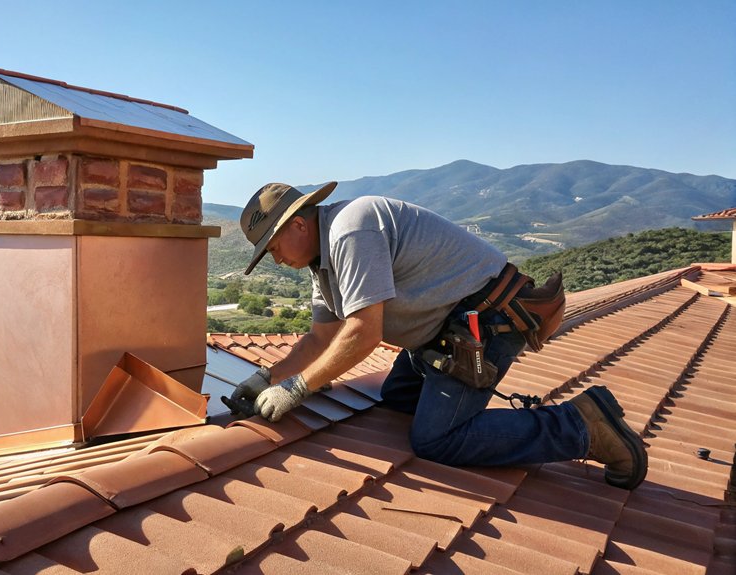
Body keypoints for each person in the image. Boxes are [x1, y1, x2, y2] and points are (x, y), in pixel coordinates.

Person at [227, 182, 647, 489]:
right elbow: (321, 339)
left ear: (298, 224)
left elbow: (364, 332)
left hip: (484, 321)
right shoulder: (322, 264)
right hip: (441, 330)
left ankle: (582, 425)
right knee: (397, 399)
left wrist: (297, 388)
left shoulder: (350, 231)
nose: (276, 259)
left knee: (437, 439)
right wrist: (267, 379)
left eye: (274, 246)